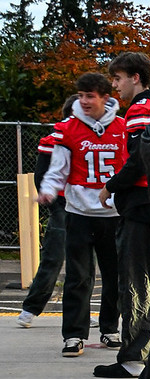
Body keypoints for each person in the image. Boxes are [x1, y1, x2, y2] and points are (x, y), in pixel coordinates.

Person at [38, 72, 126, 356]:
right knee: (78, 275)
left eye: (90, 95)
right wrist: (49, 189)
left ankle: (110, 329)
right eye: (81, 96)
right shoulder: (67, 128)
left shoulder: (123, 128)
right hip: (79, 211)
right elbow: (58, 168)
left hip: (113, 213)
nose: (84, 101)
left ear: (105, 98)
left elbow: (130, 165)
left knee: (114, 276)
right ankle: (74, 335)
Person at [94, 52, 150, 378]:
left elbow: (141, 157)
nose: (114, 86)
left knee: (137, 282)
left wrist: (111, 186)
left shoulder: (140, 110)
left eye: (118, 79)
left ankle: (132, 357)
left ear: (136, 77)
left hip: (141, 205)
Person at [17, 94, 100, 330]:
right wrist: (54, 204)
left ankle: (79, 313)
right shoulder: (54, 139)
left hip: (82, 206)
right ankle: (31, 308)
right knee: (55, 257)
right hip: (66, 205)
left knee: (84, 262)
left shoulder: (88, 138)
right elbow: (41, 175)